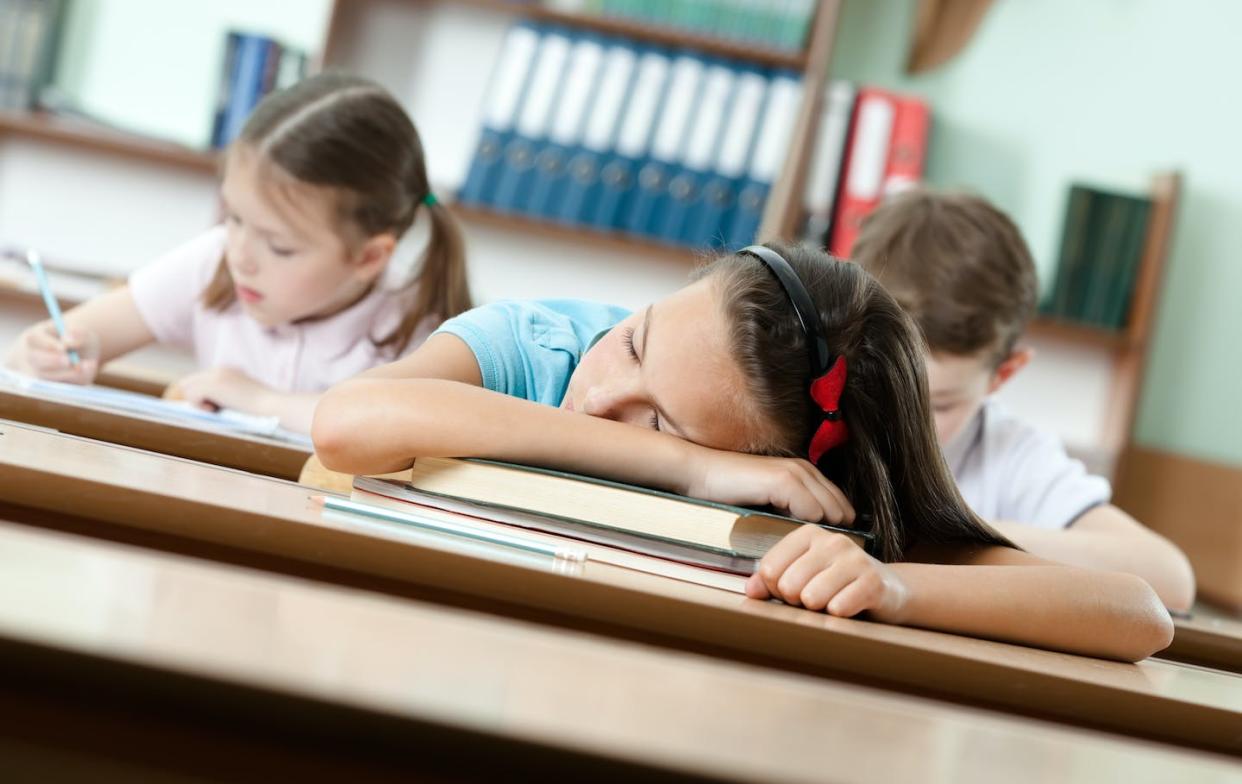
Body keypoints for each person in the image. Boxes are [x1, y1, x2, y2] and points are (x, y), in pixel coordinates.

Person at [313, 242, 1172, 661]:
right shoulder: (533, 348)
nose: (604, 392)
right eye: (637, 341)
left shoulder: (785, 505)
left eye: (664, 424)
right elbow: (349, 421)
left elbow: (1137, 610)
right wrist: (686, 463)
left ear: (793, 470)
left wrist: (899, 586)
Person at [5, 73, 471, 434]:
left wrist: (258, 400)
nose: (242, 255)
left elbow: (391, 426)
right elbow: (74, 337)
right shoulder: (214, 260)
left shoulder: (419, 328)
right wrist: (45, 353)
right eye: (234, 217)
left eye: (280, 246)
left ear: (369, 258)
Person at [851, 189, 1194, 610]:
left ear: (1003, 374)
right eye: (884, 387)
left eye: (939, 405)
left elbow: (1170, 577)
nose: (903, 418)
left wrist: (955, 533)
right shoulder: (811, 407)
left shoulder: (1010, 456)